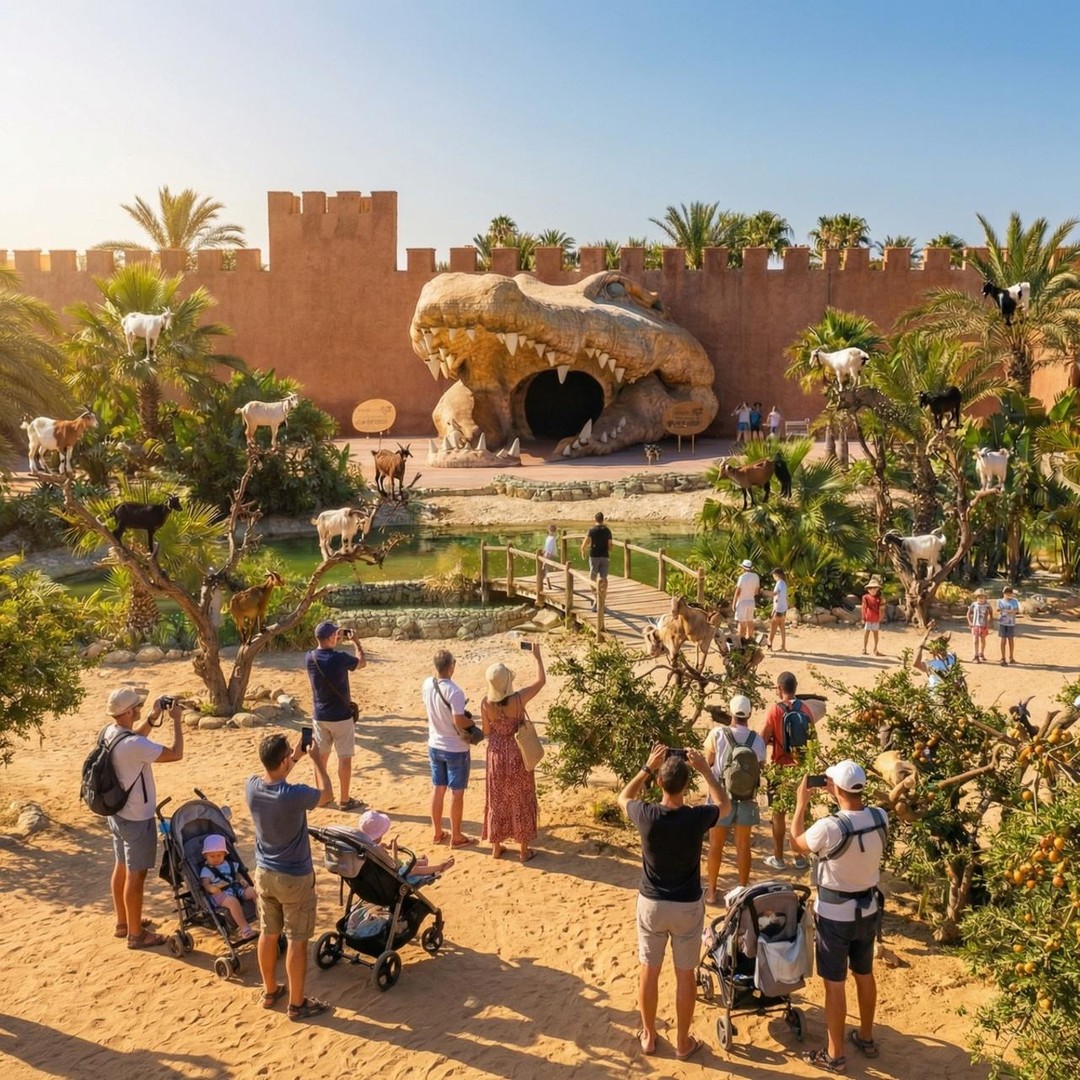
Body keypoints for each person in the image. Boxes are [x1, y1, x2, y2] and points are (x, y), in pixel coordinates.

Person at [618, 743, 730, 1061]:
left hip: (652, 904)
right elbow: (725, 805)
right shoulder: (696, 818)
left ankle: (650, 1036)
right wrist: (707, 771)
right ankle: (682, 1042)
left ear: (659, 783)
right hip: (687, 906)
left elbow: (623, 797)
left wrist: (646, 767)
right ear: (686, 784)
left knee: (649, 970)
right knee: (685, 974)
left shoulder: (647, 814)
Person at [789, 760, 888, 1074]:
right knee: (864, 974)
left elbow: (796, 845)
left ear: (834, 788)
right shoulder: (879, 817)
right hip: (869, 909)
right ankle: (867, 1037)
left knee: (835, 984)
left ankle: (835, 1055)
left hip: (834, 915)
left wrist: (799, 806)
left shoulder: (829, 827)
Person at [246, 731, 333, 1020]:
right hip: (294, 878)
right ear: (283, 762)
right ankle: (297, 1004)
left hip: (264, 874)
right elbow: (327, 794)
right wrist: (317, 761)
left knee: (268, 933)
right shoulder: (294, 795)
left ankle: (270, 991)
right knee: (297, 939)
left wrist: (295, 756)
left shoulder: (252, 787)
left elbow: (275, 775)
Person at [104, 686, 184, 949]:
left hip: (117, 814)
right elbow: (175, 753)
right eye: (136, 707)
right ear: (128, 711)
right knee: (136, 876)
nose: (139, 709)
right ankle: (136, 935)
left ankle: (124, 923)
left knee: (121, 866)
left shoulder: (110, 732)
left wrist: (151, 718)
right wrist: (176, 722)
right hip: (137, 817)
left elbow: (132, 740)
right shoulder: (135, 745)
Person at [481, 644, 546, 863]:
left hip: (496, 754)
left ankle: (497, 846)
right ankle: (524, 850)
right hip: (517, 752)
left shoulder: (485, 703)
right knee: (521, 797)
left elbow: (487, 732)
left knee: (497, 799)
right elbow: (541, 682)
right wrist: (537, 658)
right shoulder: (519, 699)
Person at [703, 695, 766, 901]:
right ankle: (742, 890)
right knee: (743, 845)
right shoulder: (757, 740)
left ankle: (712, 891)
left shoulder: (718, 734)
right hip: (746, 797)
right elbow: (760, 767)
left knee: (715, 845)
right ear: (749, 714)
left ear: (730, 713)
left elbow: (708, 762)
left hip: (721, 796)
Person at [306, 619, 366, 811]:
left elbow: (325, 650)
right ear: (331, 637)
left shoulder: (310, 658)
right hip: (341, 716)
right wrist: (356, 642)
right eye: (335, 634)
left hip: (320, 715)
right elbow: (361, 663)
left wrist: (335, 637)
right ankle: (344, 799)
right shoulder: (339, 658)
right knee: (344, 758)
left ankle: (322, 797)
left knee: (320, 758)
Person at [761, 672, 816, 871]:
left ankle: (778, 857)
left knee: (778, 814)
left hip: (779, 768)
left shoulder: (775, 711)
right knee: (799, 812)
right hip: (801, 769)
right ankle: (799, 857)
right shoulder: (806, 710)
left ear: (778, 689)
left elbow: (762, 738)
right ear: (796, 687)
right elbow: (812, 741)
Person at [422, 649, 477, 847]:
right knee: (457, 792)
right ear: (451, 666)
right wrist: (472, 726)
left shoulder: (427, 684)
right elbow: (458, 720)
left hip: (434, 743)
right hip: (455, 747)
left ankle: (437, 832)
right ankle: (457, 835)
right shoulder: (455, 691)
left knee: (438, 788)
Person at [356, 810, 456, 879]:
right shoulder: (376, 850)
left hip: (376, 875)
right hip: (390, 875)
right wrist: (394, 850)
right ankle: (440, 867)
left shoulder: (364, 845)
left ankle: (423, 865)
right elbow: (394, 866)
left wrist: (381, 847)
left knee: (410, 863)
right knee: (413, 869)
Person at [200, 834, 258, 939]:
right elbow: (205, 883)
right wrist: (212, 888)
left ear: (224, 854)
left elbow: (236, 873)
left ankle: (264, 918)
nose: (216, 859)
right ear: (205, 855)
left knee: (253, 892)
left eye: (219, 855)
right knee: (232, 902)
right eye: (212, 856)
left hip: (235, 888)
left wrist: (242, 880)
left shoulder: (228, 864)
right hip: (219, 895)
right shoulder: (206, 870)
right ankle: (245, 929)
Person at [580, 512, 613, 610]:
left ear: (595, 519)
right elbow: (610, 545)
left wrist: (583, 551)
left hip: (594, 556)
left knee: (592, 578)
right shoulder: (607, 530)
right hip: (604, 556)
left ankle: (596, 599)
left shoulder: (592, 530)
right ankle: (602, 601)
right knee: (604, 579)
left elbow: (585, 543)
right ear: (603, 519)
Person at [732, 558, 760, 641]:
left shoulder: (742, 577)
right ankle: (750, 639)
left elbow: (738, 591)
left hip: (742, 602)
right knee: (750, 621)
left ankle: (741, 640)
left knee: (741, 623)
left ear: (743, 568)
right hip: (751, 601)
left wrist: (733, 603)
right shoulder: (756, 576)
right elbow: (757, 591)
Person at [967, 587, 993, 662]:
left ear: (985, 598)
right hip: (975, 624)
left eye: (982, 597)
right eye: (979, 597)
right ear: (977, 598)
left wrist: (990, 622)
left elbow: (991, 613)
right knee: (975, 640)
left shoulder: (987, 605)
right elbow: (968, 613)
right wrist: (970, 622)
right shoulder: (974, 604)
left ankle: (981, 652)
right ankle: (976, 655)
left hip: (983, 625)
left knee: (983, 639)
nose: (981, 599)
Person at [997, 585, 1020, 665]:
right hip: (1002, 622)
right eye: (1006, 593)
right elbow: (999, 610)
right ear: (1003, 593)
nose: (1008, 595)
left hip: (1011, 623)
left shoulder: (1014, 601)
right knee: (1003, 640)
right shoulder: (1000, 601)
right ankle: (1003, 657)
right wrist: (1010, 611)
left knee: (1011, 639)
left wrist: (1006, 611)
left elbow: (1016, 611)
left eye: (1009, 593)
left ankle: (1011, 657)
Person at [767, 567, 789, 651]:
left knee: (773, 629)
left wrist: (763, 592)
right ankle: (783, 646)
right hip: (783, 609)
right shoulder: (784, 583)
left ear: (776, 575)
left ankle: (769, 646)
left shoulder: (779, 583)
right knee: (782, 628)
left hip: (778, 609)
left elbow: (774, 594)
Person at [861, 577, 884, 656]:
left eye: (874, 588)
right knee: (866, 633)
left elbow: (881, 609)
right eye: (871, 589)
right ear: (868, 590)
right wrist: (863, 617)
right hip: (868, 618)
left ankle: (875, 648)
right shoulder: (865, 598)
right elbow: (864, 608)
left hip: (876, 619)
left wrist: (880, 618)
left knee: (875, 634)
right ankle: (864, 648)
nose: (873, 590)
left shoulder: (880, 599)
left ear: (877, 589)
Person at [542, 523, 558, 589]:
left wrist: (546, 555)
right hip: (548, 554)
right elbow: (547, 547)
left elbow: (550, 549)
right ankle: (546, 583)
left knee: (546, 569)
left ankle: (546, 583)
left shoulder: (551, 538)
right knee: (546, 569)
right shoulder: (549, 538)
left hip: (549, 555)